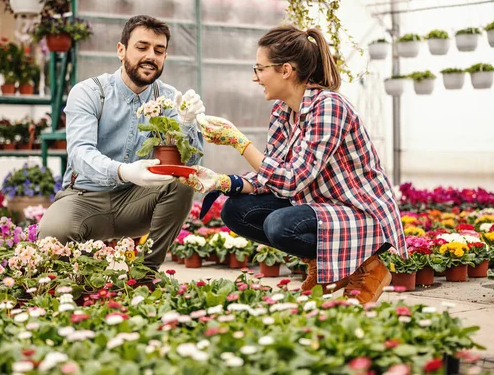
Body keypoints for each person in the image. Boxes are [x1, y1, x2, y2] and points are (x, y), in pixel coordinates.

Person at [180, 25, 407, 304]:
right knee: (235, 210)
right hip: (320, 207)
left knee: (280, 225)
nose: (256, 78)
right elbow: (272, 174)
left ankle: (369, 267)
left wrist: (239, 142)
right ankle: (323, 264)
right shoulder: (283, 111)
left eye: (260, 69)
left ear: (285, 70)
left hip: (359, 213)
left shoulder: (329, 106)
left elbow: (293, 180)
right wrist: (223, 182)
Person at [39, 15, 205, 273]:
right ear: (121, 50)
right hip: (85, 198)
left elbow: (191, 165)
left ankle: (146, 272)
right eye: (142, 47)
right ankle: (76, 278)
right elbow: (80, 154)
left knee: (180, 185)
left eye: (159, 51)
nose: (151, 56)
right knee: (53, 234)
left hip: (137, 202)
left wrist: (188, 123)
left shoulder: (170, 98)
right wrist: (123, 171)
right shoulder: (90, 92)